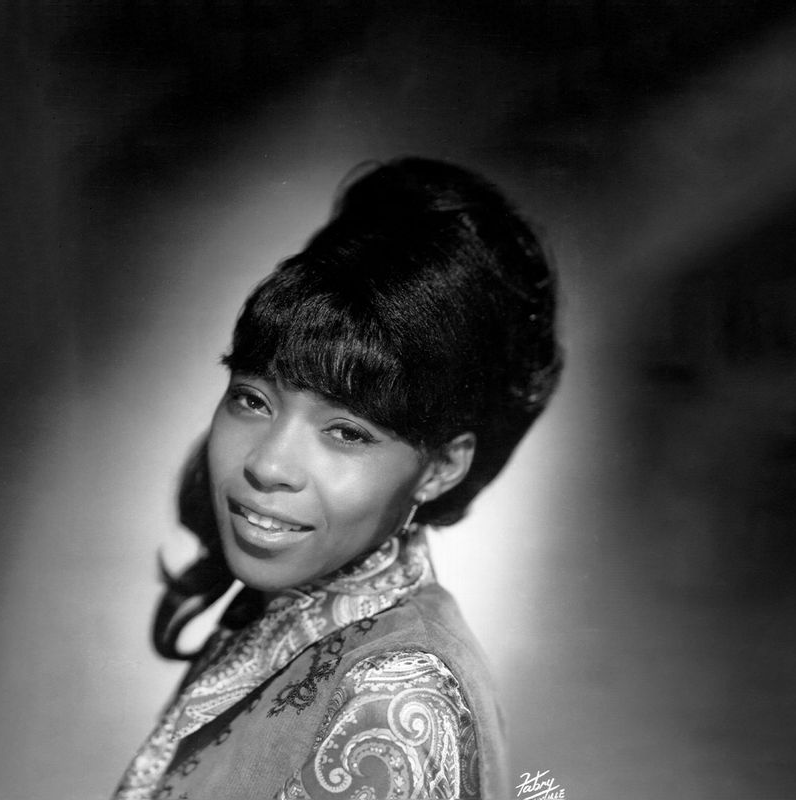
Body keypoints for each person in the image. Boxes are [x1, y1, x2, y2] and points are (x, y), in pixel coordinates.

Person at [113, 157, 562, 800]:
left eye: (347, 432)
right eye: (252, 400)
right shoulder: (285, 614)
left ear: (441, 466)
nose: (267, 465)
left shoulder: (393, 709)